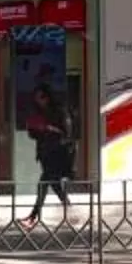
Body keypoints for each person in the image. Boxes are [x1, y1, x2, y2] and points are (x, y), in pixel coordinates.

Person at [20, 81, 78, 222]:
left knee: (44, 183)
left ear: (47, 97)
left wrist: (49, 128)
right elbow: (35, 135)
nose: (38, 101)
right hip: (45, 153)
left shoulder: (60, 110)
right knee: (54, 185)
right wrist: (33, 130)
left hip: (58, 154)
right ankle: (72, 214)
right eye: (36, 98)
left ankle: (33, 217)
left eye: (41, 97)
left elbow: (67, 134)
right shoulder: (39, 112)